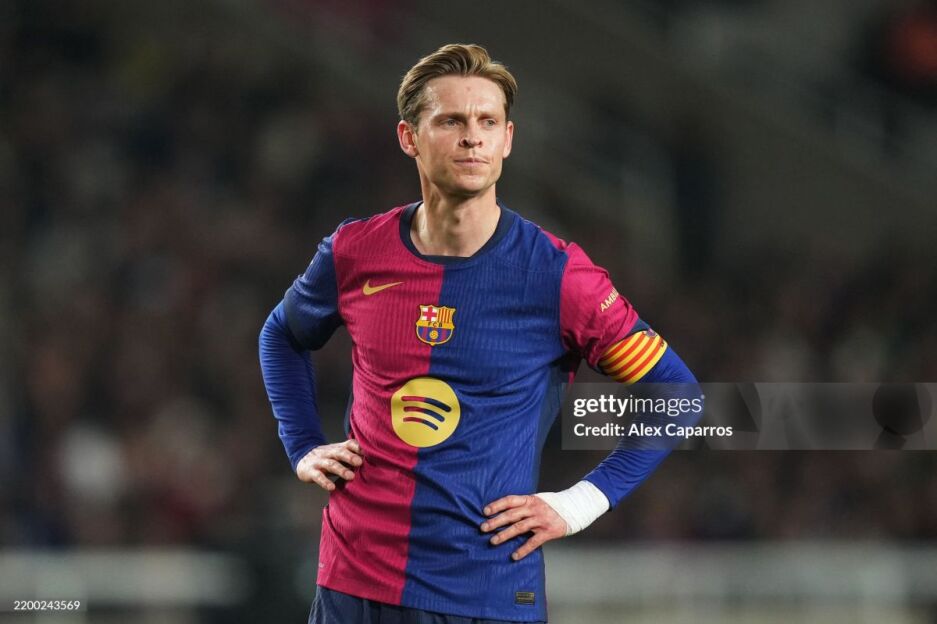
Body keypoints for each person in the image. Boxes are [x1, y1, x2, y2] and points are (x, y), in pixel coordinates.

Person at [259, 43, 697, 624]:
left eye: (488, 122)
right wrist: (302, 444)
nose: (473, 138)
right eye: (451, 121)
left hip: (486, 593)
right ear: (409, 138)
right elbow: (281, 335)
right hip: (353, 584)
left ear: (508, 140)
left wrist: (579, 504)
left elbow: (677, 395)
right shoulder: (354, 251)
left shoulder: (558, 276)